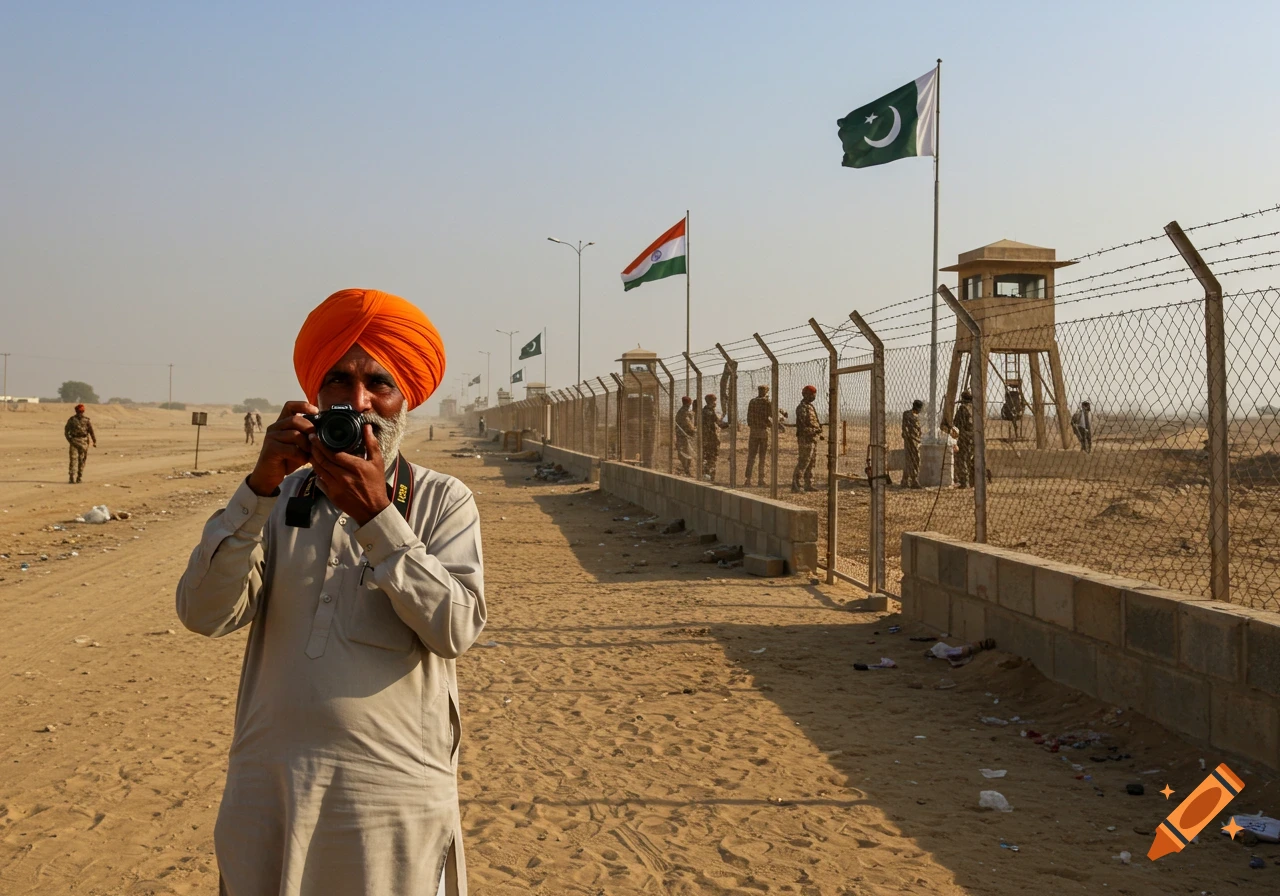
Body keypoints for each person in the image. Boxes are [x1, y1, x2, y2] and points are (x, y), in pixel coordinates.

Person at [176, 288, 486, 896]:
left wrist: (378, 519)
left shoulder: (442, 501)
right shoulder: (279, 499)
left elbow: (457, 629)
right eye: (339, 383)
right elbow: (203, 613)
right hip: (271, 794)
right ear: (316, 399)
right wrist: (257, 490)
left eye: (379, 384)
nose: (358, 402)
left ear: (405, 402)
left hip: (393, 797)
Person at [744, 385, 787, 487]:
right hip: (763, 431)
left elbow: (749, 417)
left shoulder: (752, 401)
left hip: (753, 431)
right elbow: (772, 415)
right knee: (762, 457)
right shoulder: (766, 402)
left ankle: (748, 479)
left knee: (751, 456)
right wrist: (780, 424)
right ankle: (760, 480)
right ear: (767, 391)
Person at [792, 385, 823, 492]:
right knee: (804, 461)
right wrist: (814, 431)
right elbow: (802, 425)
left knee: (811, 462)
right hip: (805, 438)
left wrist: (818, 429)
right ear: (806, 395)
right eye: (812, 394)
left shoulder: (810, 407)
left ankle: (808, 484)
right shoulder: (802, 408)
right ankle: (796, 485)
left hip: (812, 438)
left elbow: (813, 422)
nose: (814, 396)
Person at [64, 403, 97, 484]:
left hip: (76, 442)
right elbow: (91, 432)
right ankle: (78, 477)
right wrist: (94, 441)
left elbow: (66, 432)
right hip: (82, 442)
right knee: (80, 460)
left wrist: (70, 440)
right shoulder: (85, 420)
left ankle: (73, 477)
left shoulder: (72, 420)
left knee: (74, 460)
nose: (80, 413)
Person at [701, 394, 726, 480]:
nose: (715, 403)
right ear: (710, 402)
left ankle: (705, 474)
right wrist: (728, 422)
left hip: (704, 439)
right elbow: (720, 424)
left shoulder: (703, 411)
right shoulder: (711, 412)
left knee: (705, 457)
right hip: (711, 439)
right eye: (714, 401)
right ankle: (711, 476)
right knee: (712, 458)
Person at [954, 391, 975, 488]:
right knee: (970, 459)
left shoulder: (962, 409)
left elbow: (958, 424)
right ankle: (973, 481)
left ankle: (964, 482)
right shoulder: (974, 409)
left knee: (962, 458)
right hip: (974, 437)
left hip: (964, 437)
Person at [901, 399, 923, 489]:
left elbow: (918, 430)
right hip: (911, 440)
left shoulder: (915, 416)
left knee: (911, 460)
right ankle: (912, 480)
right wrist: (908, 437)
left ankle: (906, 480)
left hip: (916, 441)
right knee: (913, 460)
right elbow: (905, 428)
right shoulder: (908, 415)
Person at [675, 396, 697, 476]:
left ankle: (684, 470)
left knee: (686, 454)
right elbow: (688, 424)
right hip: (684, 436)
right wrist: (694, 430)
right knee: (686, 454)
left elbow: (691, 414)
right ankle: (685, 470)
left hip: (684, 436)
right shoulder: (683, 412)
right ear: (688, 403)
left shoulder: (684, 411)